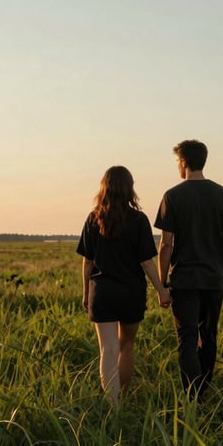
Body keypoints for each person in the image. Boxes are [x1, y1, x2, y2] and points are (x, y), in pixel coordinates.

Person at [154, 139, 223, 399]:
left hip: (184, 280)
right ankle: (203, 390)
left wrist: (162, 283)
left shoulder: (172, 196)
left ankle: (194, 397)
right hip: (215, 279)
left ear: (183, 162)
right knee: (209, 336)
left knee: (187, 340)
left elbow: (166, 245)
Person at [76, 166, 171, 406]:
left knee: (107, 350)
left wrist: (86, 293)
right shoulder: (139, 220)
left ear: (104, 187)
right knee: (126, 346)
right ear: (130, 188)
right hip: (131, 292)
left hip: (102, 292)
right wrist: (161, 290)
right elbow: (147, 262)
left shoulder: (93, 218)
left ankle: (113, 405)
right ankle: (123, 396)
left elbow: (87, 262)